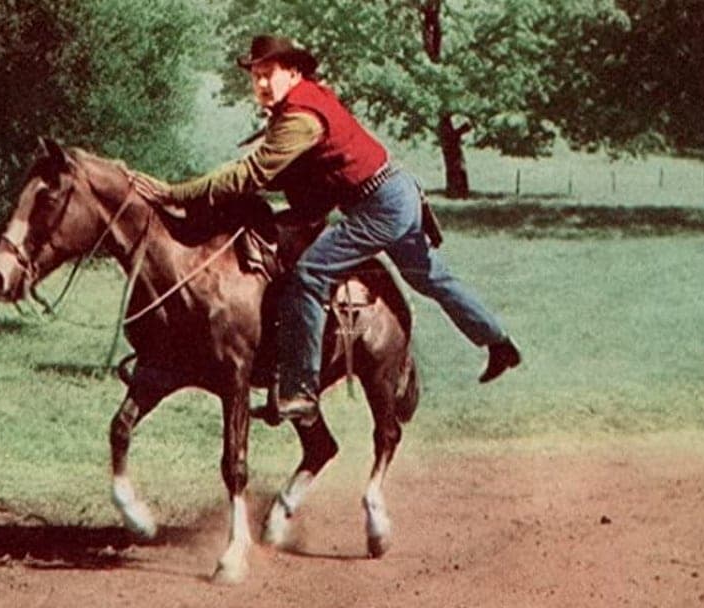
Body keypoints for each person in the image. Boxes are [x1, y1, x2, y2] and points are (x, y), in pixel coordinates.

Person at [135, 34, 520, 422]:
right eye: (255, 77)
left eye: (269, 74)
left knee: (310, 273)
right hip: (394, 194)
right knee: (433, 278)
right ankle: (499, 343)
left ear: (294, 73)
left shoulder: (301, 118)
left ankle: (300, 389)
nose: (261, 85)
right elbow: (308, 174)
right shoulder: (306, 103)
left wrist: (175, 194)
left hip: (379, 205)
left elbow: (251, 173)